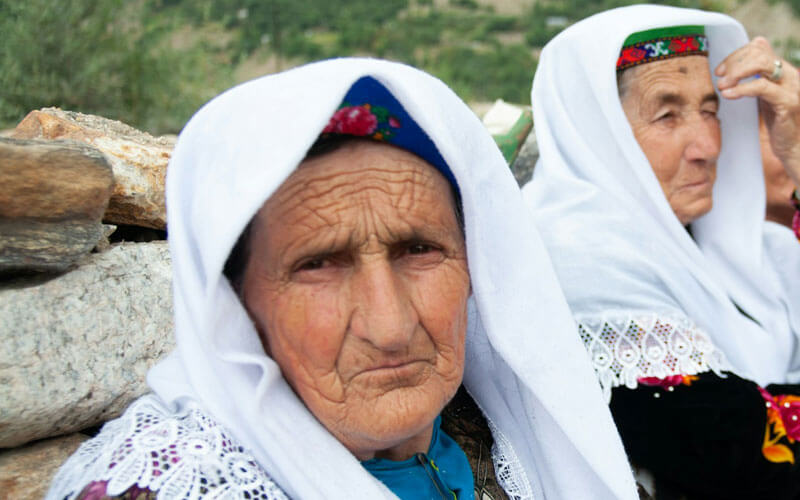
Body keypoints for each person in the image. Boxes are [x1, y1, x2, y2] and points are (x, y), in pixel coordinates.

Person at [47, 58, 639, 500]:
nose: (390, 326)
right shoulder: (166, 483)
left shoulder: (515, 431)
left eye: (419, 249)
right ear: (235, 302)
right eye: (318, 265)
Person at [523, 5, 800, 498]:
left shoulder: (753, 248)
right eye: (667, 114)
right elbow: (729, 451)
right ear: (596, 131)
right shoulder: (576, 255)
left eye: (711, 110)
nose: (709, 145)